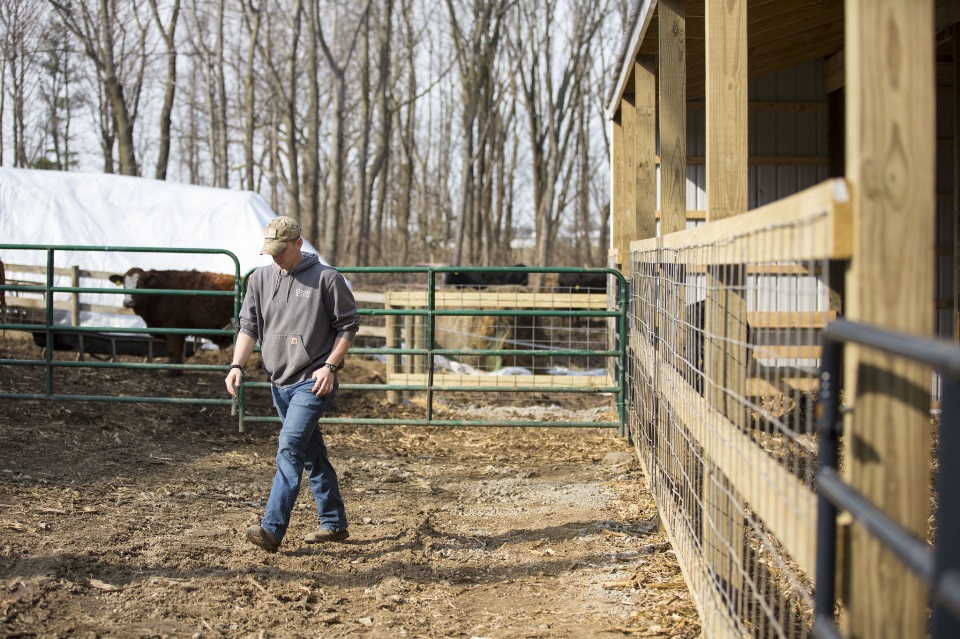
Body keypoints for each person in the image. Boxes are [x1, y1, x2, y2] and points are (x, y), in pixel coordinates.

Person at [225, 216, 359, 553]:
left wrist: (330, 366)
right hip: (278, 381)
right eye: (270, 251)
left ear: (298, 243)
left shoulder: (327, 279)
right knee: (310, 453)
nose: (275, 257)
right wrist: (237, 364)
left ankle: (271, 529)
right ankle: (334, 522)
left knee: (289, 446)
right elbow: (248, 327)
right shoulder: (259, 279)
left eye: (281, 250)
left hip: (312, 381)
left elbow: (347, 327)